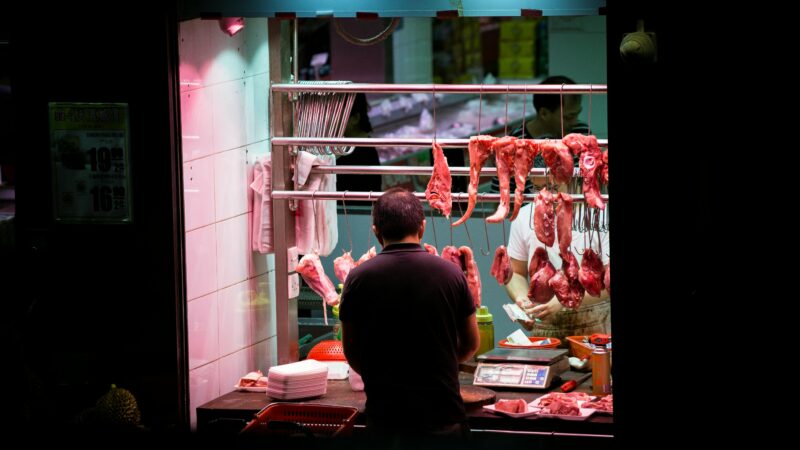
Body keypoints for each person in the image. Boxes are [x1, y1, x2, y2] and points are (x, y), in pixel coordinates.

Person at [339, 187, 480, 442]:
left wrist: (381, 371)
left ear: (376, 232)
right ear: (422, 228)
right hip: (444, 420)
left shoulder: (359, 278)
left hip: (385, 422)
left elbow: (351, 351)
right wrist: (440, 362)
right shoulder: (451, 275)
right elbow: (471, 344)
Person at [490, 75, 586, 194]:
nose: (575, 121)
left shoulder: (581, 132)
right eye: (569, 117)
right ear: (544, 113)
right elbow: (499, 198)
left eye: (577, 114)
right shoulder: (515, 143)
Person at [335, 93, 382, 199]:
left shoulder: (360, 155)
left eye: (337, 114)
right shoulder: (363, 147)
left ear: (355, 118)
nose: (332, 120)